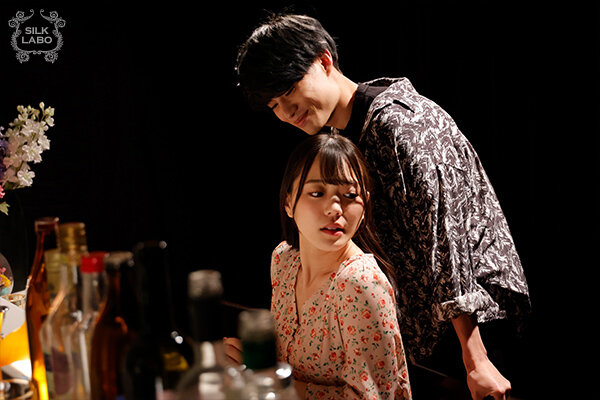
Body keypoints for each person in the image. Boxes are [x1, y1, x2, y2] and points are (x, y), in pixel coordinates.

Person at [235, 13, 530, 400]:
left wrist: (475, 358)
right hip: (422, 329)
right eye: (275, 104)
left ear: (324, 61)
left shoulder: (399, 125)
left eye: (290, 90)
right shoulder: (343, 129)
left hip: (470, 331)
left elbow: (445, 239)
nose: (287, 111)